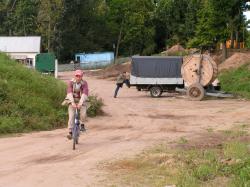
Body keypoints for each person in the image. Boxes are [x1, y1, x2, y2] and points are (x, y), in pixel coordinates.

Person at [62, 69, 89, 139]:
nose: (78, 77)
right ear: (75, 76)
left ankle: (82, 125)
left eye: (79, 76)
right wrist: (72, 102)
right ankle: (70, 132)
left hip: (82, 101)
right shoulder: (71, 82)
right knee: (71, 116)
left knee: (83, 114)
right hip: (72, 100)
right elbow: (69, 92)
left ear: (82, 76)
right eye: (77, 76)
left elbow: (84, 94)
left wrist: (80, 103)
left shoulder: (84, 83)